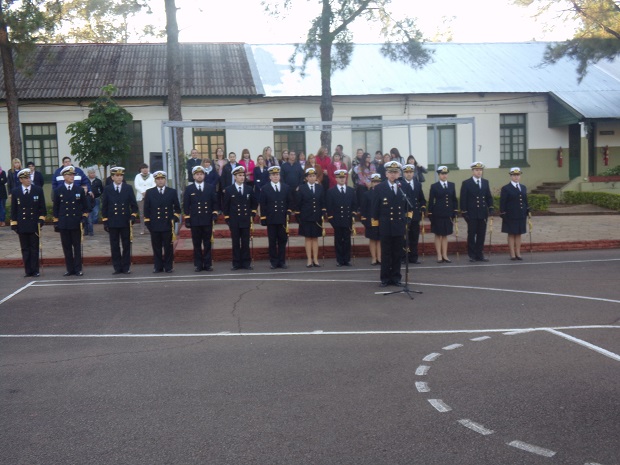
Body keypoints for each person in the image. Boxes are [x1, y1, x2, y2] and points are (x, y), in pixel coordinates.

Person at [372, 161, 407, 287]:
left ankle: (396, 277)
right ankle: (385, 278)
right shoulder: (380, 188)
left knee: (397, 253)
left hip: (398, 225)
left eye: (395, 172)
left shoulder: (403, 186)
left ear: (399, 174)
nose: (393, 175)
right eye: (390, 172)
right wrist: (376, 227)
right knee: (386, 253)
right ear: (386, 174)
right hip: (385, 226)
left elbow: (407, 207)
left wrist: (406, 221)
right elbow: (375, 209)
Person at [53, 166, 90, 276]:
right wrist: (56, 222)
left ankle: (78, 269)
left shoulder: (79, 190)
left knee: (77, 247)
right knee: (67, 247)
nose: (72, 177)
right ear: (64, 176)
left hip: (76, 222)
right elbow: (56, 207)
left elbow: (85, 207)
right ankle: (70, 269)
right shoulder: (58, 191)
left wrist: (84, 218)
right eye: (69, 175)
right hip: (64, 223)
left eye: (73, 175)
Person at [101, 167, 138, 275]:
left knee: (126, 245)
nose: (119, 177)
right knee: (114, 245)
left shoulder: (128, 188)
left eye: (121, 175)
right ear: (112, 177)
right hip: (113, 221)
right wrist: (105, 221)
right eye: (117, 176)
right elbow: (105, 206)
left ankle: (126, 267)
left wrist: (133, 216)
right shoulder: (108, 189)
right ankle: (117, 267)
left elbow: (134, 205)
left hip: (125, 221)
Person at [10, 168, 47, 277]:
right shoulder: (16, 192)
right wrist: (14, 224)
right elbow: (14, 209)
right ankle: (28, 270)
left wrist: (41, 220)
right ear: (20, 180)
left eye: (29, 177)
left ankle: (35, 270)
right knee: (25, 248)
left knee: (34, 248)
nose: (28, 180)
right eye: (25, 178)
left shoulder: (37, 190)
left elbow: (42, 207)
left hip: (34, 224)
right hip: (22, 224)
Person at [144, 171, 181, 273]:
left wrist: (174, 218)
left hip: (167, 224)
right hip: (154, 224)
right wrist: (148, 222)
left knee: (168, 247)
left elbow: (177, 208)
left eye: (162, 179)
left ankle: (168, 266)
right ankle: (158, 266)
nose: (160, 181)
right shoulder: (150, 192)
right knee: (156, 247)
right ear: (155, 181)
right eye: (158, 179)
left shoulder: (171, 192)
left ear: (165, 180)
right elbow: (146, 209)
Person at [183, 165, 219, 272]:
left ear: (204, 175)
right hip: (195, 220)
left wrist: (215, 213)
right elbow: (186, 205)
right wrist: (187, 218)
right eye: (197, 174)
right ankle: (198, 264)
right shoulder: (189, 189)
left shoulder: (210, 187)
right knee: (196, 243)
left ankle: (208, 264)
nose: (199, 176)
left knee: (207, 243)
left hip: (207, 219)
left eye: (201, 174)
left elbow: (215, 202)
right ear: (194, 176)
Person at [222, 165, 258, 270]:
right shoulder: (229, 190)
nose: (242, 177)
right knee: (236, 242)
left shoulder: (249, 189)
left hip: (245, 219)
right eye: (239, 175)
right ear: (235, 177)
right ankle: (236, 263)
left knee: (246, 242)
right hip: (234, 220)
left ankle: (246, 263)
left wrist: (252, 213)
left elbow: (254, 203)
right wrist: (227, 218)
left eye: (243, 175)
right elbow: (226, 205)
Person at [259, 166, 293, 269]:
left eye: (277, 174)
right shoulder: (265, 188)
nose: (275, 177)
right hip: (271, 219)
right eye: (273, 175)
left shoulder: (286, 187)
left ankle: (282, 261)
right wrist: (263, 217)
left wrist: (289, 211)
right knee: (272, 241)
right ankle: (273, 262)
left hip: (282, 219)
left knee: (282, 240)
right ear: (270, 177)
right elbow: (263, 204)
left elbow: (290, 201)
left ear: (280, 176)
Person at [460, 161, 494, 262]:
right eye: (476, 170)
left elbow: (488, 196)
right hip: (472, 213)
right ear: (472, 171)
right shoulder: (466, 183)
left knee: (481, 234)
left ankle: (480, 254)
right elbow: (463, 199)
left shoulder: (485, 182)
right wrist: (464, 212)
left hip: (482, 213)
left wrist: (490, 207)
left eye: (480, 170)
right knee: (471, 234)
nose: (479, 172)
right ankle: (472, 254)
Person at [326, 169, 358, 267]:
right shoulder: (331, 191)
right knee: (338, 240)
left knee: (347, 240)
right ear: (336, 179)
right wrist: (332, 219)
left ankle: (347, 259)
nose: (342, 179)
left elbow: (354, 205)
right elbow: (329, 207)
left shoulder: (351, 190)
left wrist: (353, 215)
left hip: (347, 219)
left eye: (343, 177)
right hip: (337, 220)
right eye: (340, 178)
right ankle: (339, 260)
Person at [295, 167, 326, 268]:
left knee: (315, 238)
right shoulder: (302, 188)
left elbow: (322, 202)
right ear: (306, 178)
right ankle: (309, 259)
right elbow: (298, 203)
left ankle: (316, 259)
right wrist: (298, 215)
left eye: (313, 176)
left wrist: (322, 212)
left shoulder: (320, 188)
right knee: (308, 238)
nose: (312, 178)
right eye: (310, 176)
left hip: (316, 217)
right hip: (306, 217)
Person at [427, 166, 458, 263]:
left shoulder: (452, 185)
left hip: (448, 213)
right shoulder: (434, 186)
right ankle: (439, 255)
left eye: (445, 174)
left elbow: (454, 199)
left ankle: (445, 254)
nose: (444, 175)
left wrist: (455, 210)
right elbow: (431, 200)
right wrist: (430, 212)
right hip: (438, 213)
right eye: (442, 174)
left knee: (445, 234)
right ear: (439, 175)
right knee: (438, 234)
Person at [500, 167, 530, 260]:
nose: (516, 177)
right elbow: (503, 202)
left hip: (521, 214)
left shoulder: (523, 187)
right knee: (511, 234)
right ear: (511, 176)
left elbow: (525, 200)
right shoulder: (506, 188)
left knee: (519, 233)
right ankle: (512, 253)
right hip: (510, 214)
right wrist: (503, 212)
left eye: (518, 175)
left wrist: (528, 209)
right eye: (514, 175)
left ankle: (518, 253)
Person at [401, 164, 427, 264]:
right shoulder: (401, 184)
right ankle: (404, 257)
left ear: (413, 173)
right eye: (407, 172)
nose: (409, 174)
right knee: (404, 237)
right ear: (404, 173)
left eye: (411, 172)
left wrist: (423, 206)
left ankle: (413, 257)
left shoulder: (417, 184)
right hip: (405, 215)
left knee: (414, 237)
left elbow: (422, 199)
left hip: (415, 215)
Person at [360, 173, 382, 266]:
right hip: (371, 220)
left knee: (380, 240)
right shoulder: (367, 194)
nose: (376, 183)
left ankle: (379, 258)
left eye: (378, 182)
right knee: (372, 239)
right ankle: (374, 258)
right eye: (374, 182)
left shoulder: (383, 193)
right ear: (371, 183)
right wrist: (365, 220)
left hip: (381, 220)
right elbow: (363, 209)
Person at [133, 163, 155, 235]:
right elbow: (136, 185)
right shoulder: (137, 176)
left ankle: (151, 228)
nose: (145, 170)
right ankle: (142, 229)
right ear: (140, 169)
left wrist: (147, 192)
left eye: (146, 168)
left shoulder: (152, 176)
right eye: (143, 168)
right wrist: (142, 192)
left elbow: (154, 185)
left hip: (150, 196)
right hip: (140, 197)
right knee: (142, 213)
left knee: (151, 212)